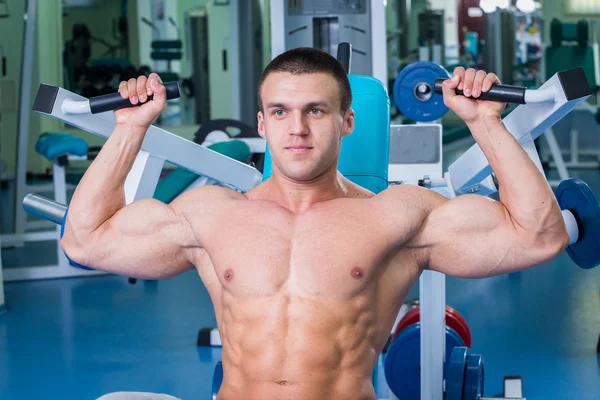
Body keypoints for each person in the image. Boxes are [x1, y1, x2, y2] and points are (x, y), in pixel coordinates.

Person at [64, 47, 569, 400]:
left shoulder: (396, 216)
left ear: (348, 121)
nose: (298, 129)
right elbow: (85, 240)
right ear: (262, 124)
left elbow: (540, 236)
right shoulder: (212, 214)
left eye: (316, 111)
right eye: (280, 112)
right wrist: (130, 129)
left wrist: (485, 122)